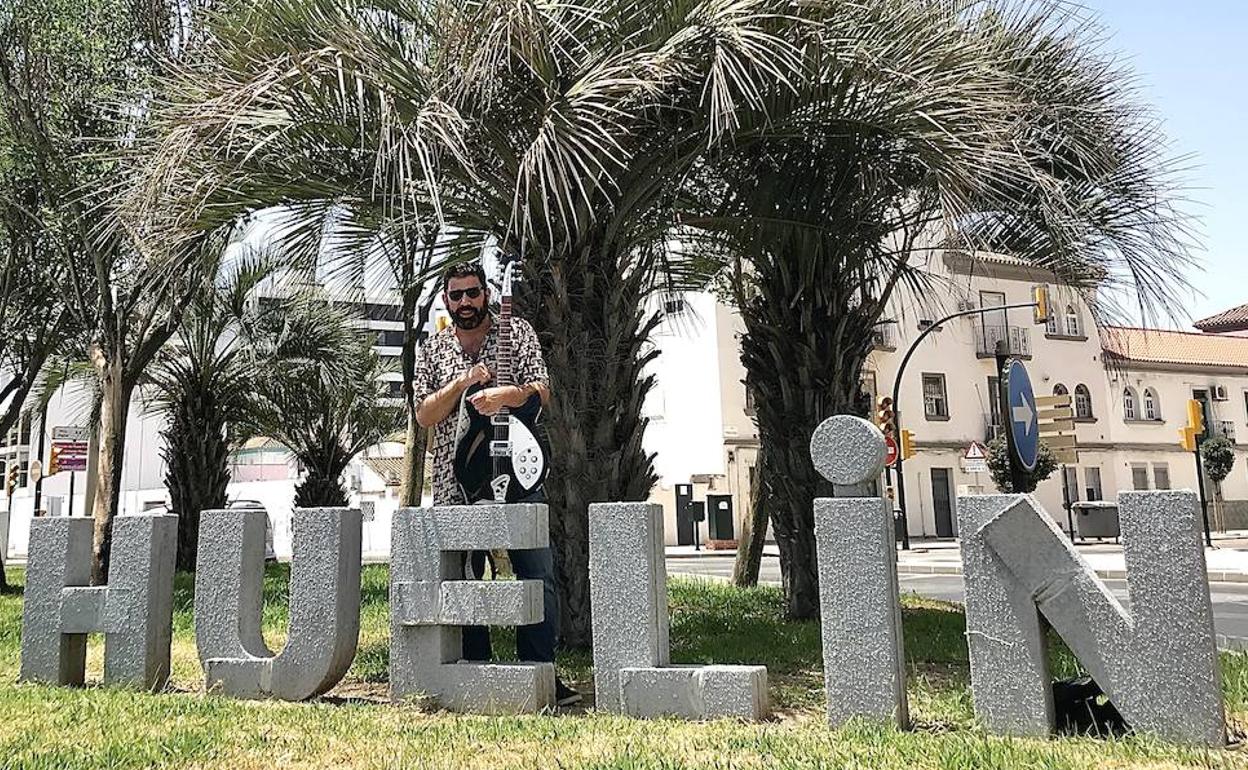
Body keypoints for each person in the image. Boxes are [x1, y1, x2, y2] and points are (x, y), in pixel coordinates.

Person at [412, 260, 581, 706]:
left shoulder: (517, 332)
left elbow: (542, 389)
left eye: (473, 292)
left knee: (537, 570)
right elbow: (425, 414)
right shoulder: (433, 350)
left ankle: (540, 672)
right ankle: (475, 669)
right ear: (446, 301)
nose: (466, 302)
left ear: (486, 292)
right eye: (457, 296)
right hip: (456, 480)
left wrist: (510, 395)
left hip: (518, 471)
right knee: (466, 575)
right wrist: (465, 383)